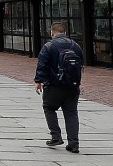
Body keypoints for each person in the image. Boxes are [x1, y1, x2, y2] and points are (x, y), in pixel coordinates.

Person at [34, 22, 84, 153]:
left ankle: (56, 136)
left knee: (48, 108)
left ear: (52, 32)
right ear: (65, 32)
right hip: (73, 86)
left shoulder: (49, 46)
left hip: (54, 86)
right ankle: (74, 144)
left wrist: (38, 81)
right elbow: (81, 65)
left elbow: (42, 65)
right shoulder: (76, 46)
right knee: (71, 113)